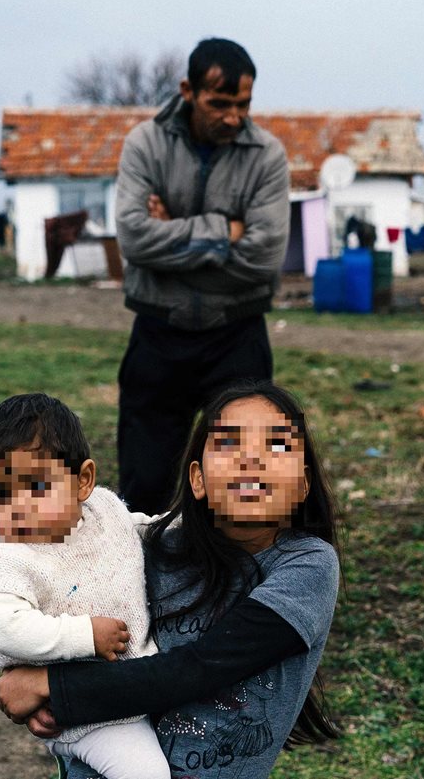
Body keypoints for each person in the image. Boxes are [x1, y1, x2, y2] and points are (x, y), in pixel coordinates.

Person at [0, 381, 340, 779]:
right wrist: (25, 668)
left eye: (276, 446)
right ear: (198, 480)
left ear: (303, 483)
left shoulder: (307, 567)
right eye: (229, 444)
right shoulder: (151, 547)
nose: (251, 459)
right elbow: (54, 581)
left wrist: (56, 689)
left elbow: (200, 667)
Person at [115, 37, 292, 517]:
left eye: (243, 104)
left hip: (237, 336)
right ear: (188, 90)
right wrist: (225, 232)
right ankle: (139, 586)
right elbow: (132, 239)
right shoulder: (145, 144)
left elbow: (262, 257)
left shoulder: (268, 156)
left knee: (243, 484)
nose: (233, 117)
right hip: (158, 335)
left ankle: (234, 586)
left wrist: (170, 230)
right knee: (143, 486)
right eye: (219, 103)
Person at [0, 394, 169, 779]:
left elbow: (138, 527)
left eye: (36, 486)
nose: (19, 505)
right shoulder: (4, 559)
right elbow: (10, 631)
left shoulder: (104, 511)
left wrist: (181, 525)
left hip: (135, 681)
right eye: (1, 494)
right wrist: (84, 634)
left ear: (83, 481)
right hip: (82, 713)